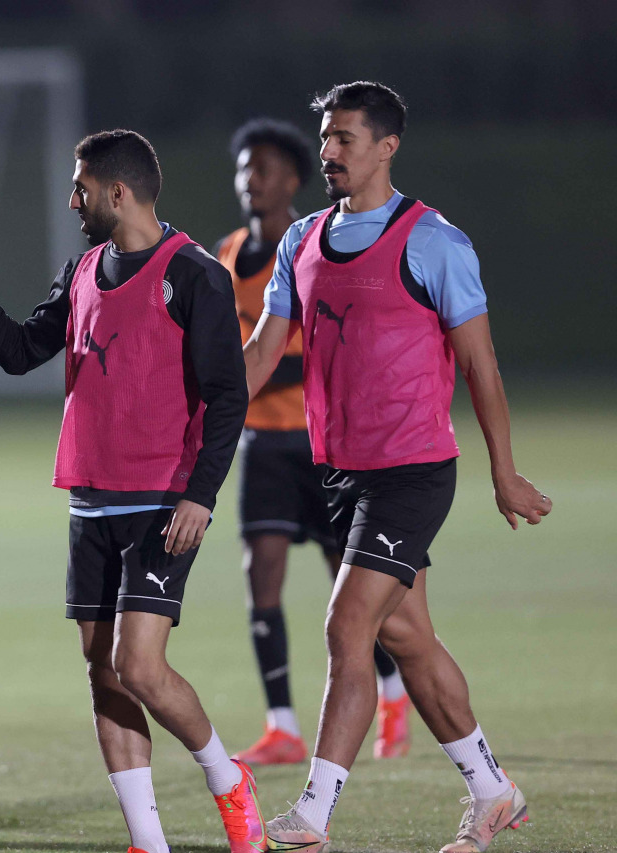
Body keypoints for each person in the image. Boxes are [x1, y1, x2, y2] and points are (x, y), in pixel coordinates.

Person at [0, 129, 264, 853]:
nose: (72, 198)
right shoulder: (82, 269)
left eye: (81, 186)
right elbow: (22, 352)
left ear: (118, 193)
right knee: (103, 667)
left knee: (140, 663)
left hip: (162, 502)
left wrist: (200, 495)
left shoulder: (197, 274)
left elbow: (228, 396)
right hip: (91, 501)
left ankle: (227, 779)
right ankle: (148, 839)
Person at [242, 82, 550, 853]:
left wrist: (503, 471)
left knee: (349, 624)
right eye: (326, 137)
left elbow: (481, 367)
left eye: (345, 138)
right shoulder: (302, 239)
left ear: (387, 146)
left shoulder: (434, 241)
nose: (329, 152)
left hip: (412, 469)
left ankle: (311, 816)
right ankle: (493, 792)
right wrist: (188, 407)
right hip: (338, 472)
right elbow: (259, 357)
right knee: (408, 637)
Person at [213, 118, 408, 766]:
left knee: (349, 585)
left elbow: (306, 355)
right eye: (245, 169)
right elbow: (234, 355)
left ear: (293, 178)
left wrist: (254, 373)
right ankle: (282, 724)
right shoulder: (226, 253)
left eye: (263, 169)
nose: (251, 181)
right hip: (262, 443)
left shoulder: (316, 245)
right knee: (259, 574)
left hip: (324, 443)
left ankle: (391, 693)